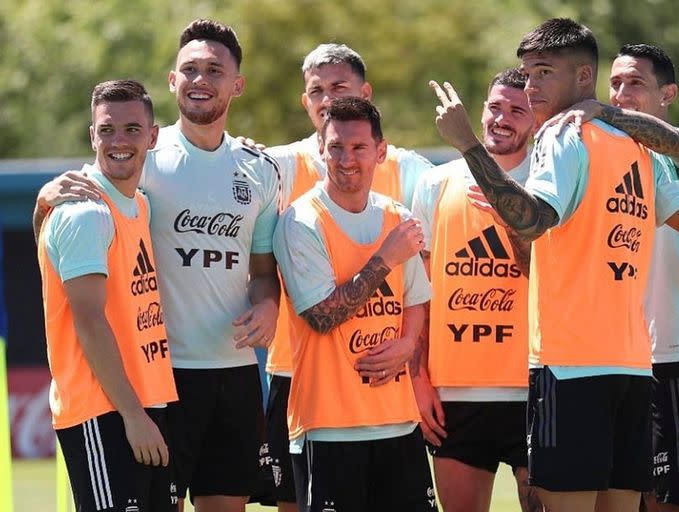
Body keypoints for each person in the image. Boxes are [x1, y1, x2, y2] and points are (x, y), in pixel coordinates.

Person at [428, 18, 679, 512]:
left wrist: (468, 147)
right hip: (633, 372)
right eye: (526, 73)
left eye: (544, 72)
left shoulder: (561, 136)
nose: (530, 86)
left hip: (569, 369)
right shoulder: (638, 148)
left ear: (584, 78)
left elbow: (532, 219)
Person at [34, 19, 281, 511]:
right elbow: (67, 248)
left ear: (238, 84)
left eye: (214, 69)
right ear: (172, 80)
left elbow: (262, 272)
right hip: (161, 380)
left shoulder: (259, 168)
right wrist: (41, 202)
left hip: (232, 374)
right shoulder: (142, 158)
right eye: (189, 69)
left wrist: (269, 304)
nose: (200, 79)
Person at [539, 43, 679, 512]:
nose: (619, 94)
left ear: (668, 94)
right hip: (633, 361)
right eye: (613, 84)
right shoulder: (626, 158)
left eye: (635, 83)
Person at [259, 43, 433, 511]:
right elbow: (321, 317)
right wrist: (384, 258)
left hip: (398, 421)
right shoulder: (299, 220)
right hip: (329, 423)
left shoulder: (398, 212)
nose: (348, 158)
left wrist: (408, 343)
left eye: (359, 148)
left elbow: (416, 297)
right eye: (337, 147)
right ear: (321, 147)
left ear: (380, 151)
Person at [37, 79, 178, 511]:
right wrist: (133, 416)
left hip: (144, 405)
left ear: (152, 136)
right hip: (106, 413)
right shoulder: (86, 214)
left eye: (132, 129)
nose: (119, 141)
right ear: (91, 135)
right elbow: (88, 322)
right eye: (107, 130)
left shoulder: (139, 204)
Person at [411, 67, 540, 512]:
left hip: (535, 389)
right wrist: (418, 378)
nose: (502, 118)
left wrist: (511, 217)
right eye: (495, 107)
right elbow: (418, 294)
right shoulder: (434, 183)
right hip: (455, 397)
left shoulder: (547, 183)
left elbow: (555, 275)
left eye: (517, 111)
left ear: (536, 120)